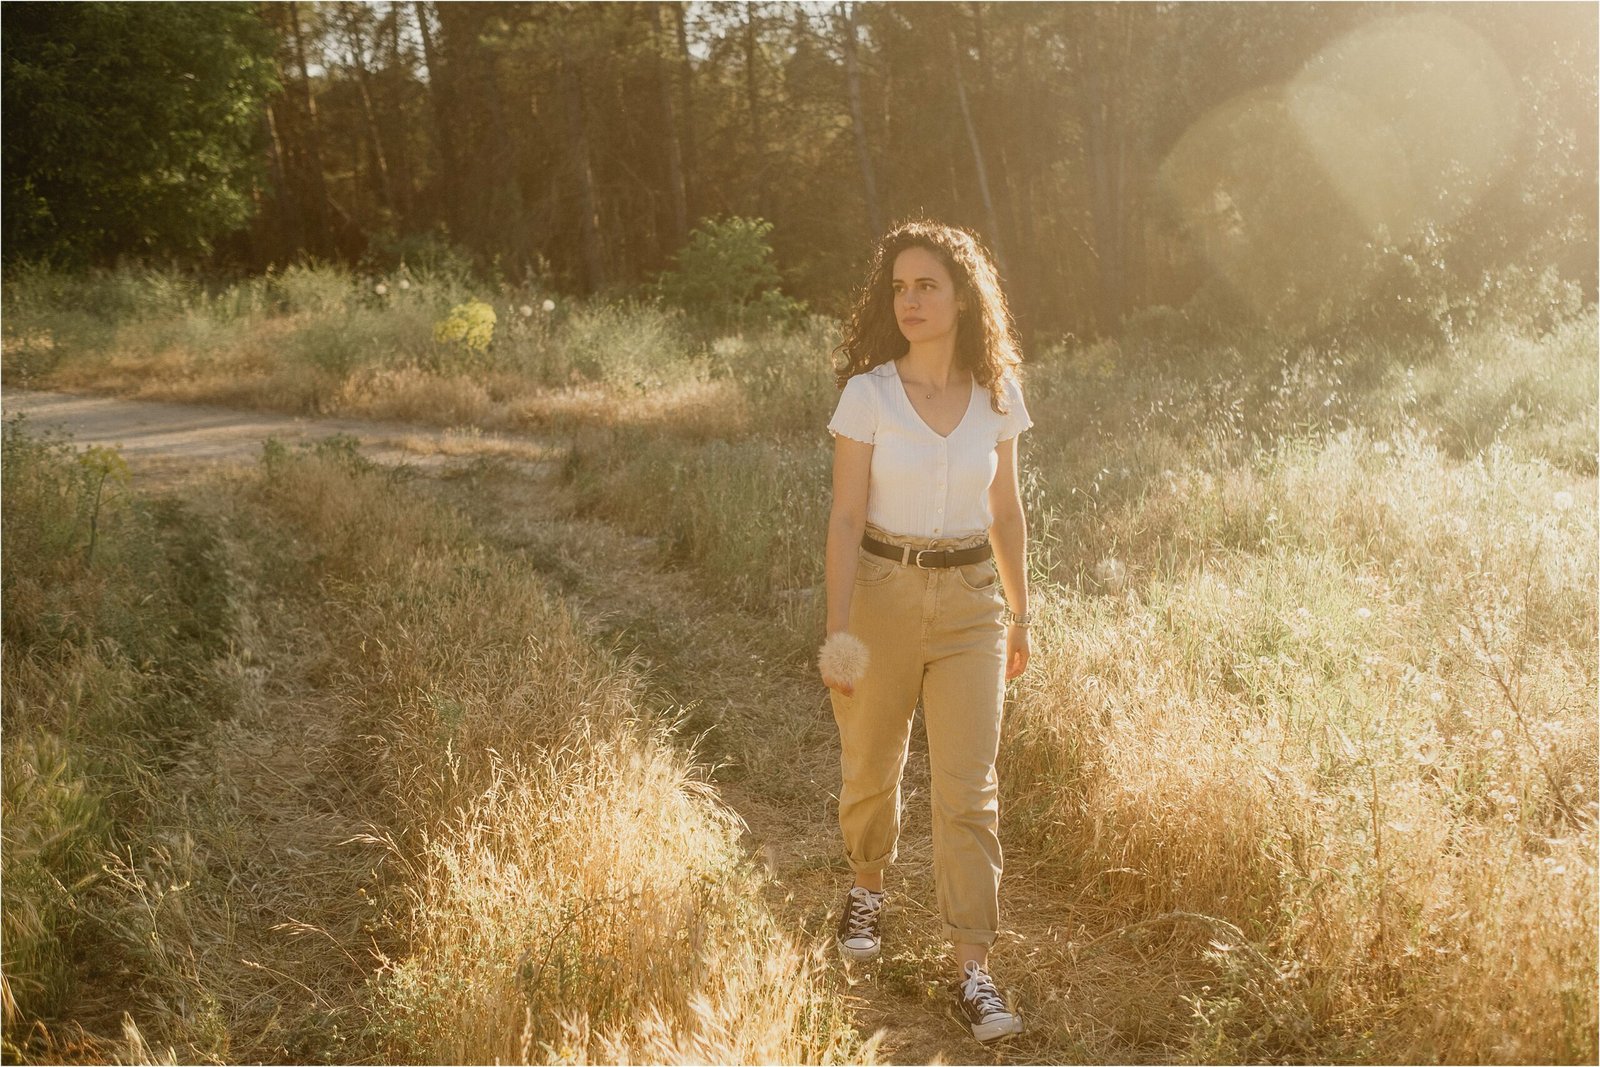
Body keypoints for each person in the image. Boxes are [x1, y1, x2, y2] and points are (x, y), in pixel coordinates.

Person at [818, 220, 1032, 1044]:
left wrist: (1021, 612)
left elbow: (1007, 511)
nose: (909, 300)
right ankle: (867, 883)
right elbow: (842, 517)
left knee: (969, 787)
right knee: (873, 759)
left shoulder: (998, 393)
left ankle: (972, 969)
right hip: (881, 591)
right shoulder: (868, 395)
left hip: (975, 599)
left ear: (962, 295)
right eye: (899, 287)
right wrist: (839, 627)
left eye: (926, 286)